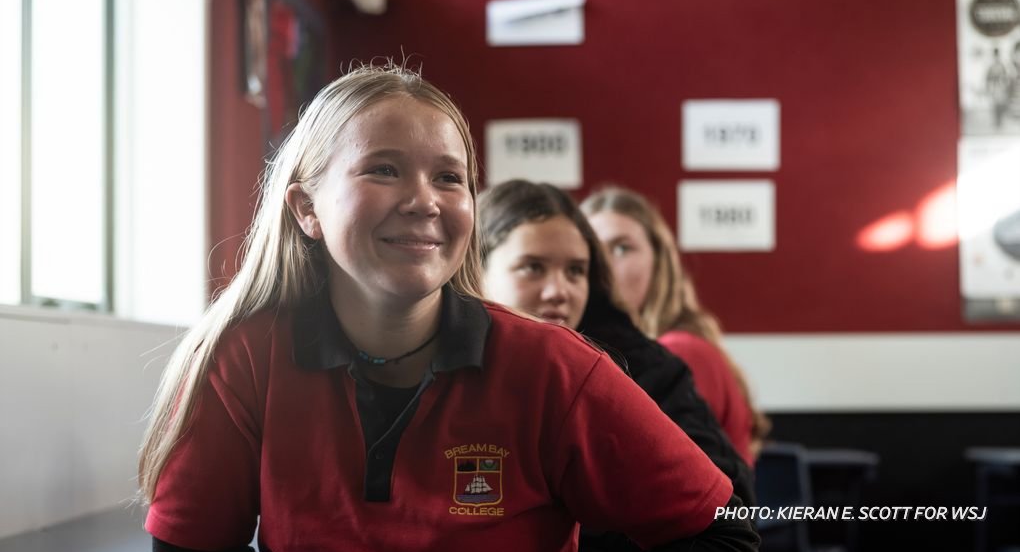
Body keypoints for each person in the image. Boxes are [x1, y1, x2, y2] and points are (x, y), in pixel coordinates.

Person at [138, 64, 759, 552]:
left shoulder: (555, 369)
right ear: (306, 210)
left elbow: (723, 532)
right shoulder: (245, 357)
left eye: (448, 177)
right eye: (383, 169)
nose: (423, 201)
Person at [477, 180, 758, 550]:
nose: (559, 290)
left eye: (576, 271)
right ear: (476, 271)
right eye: (533, 267)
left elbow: (726, 516)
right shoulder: (424, 369)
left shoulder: (642, 369)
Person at [581, 186, 770, 466]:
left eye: (622, 248)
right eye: (593, 251)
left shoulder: (679, 352)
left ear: (659, 263)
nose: (604, 266)